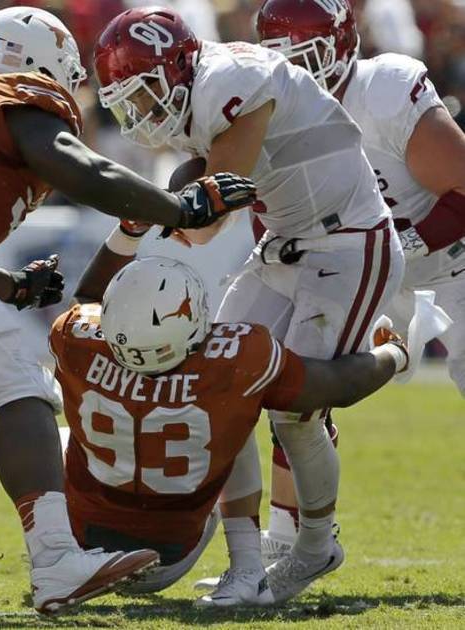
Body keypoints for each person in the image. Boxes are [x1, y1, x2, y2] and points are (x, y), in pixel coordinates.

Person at [0, 6, 256, 616]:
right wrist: (180, 208)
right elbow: (75, 165)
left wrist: (7, 285)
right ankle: (57, 559)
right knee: (19, 379)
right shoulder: (19, 95)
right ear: (49, 61)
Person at [93, 5, 404, 605]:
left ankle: (316, 545)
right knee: (217, 389)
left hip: (348, 243)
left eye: (147, 91)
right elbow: (201, 177)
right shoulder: (199, 86)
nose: (142, 111)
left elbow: (209, 215)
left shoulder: (229, 82)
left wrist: (139, 216)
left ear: (179, 65)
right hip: (284, 247)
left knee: (296, 411)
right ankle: (245, 564)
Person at [48, 234, 411, 605]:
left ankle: (50, 555)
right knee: (230, 410)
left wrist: (127, 231)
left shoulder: (73, 336)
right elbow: (338, 386)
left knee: (49, 427)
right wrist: (394, 353)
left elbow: (87, 298)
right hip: (170, 554)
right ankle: (246, 566)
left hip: (87, 551)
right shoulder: (234, 358)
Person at [254, 0, 465, 563]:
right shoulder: (275, 109)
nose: (295, 73)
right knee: (295, 378)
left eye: (306, 56)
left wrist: (414, 240)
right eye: (282, 60)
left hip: (452, 266)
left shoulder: (384, 91)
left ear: (342, 44)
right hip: (365, 268)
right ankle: (289, 535)